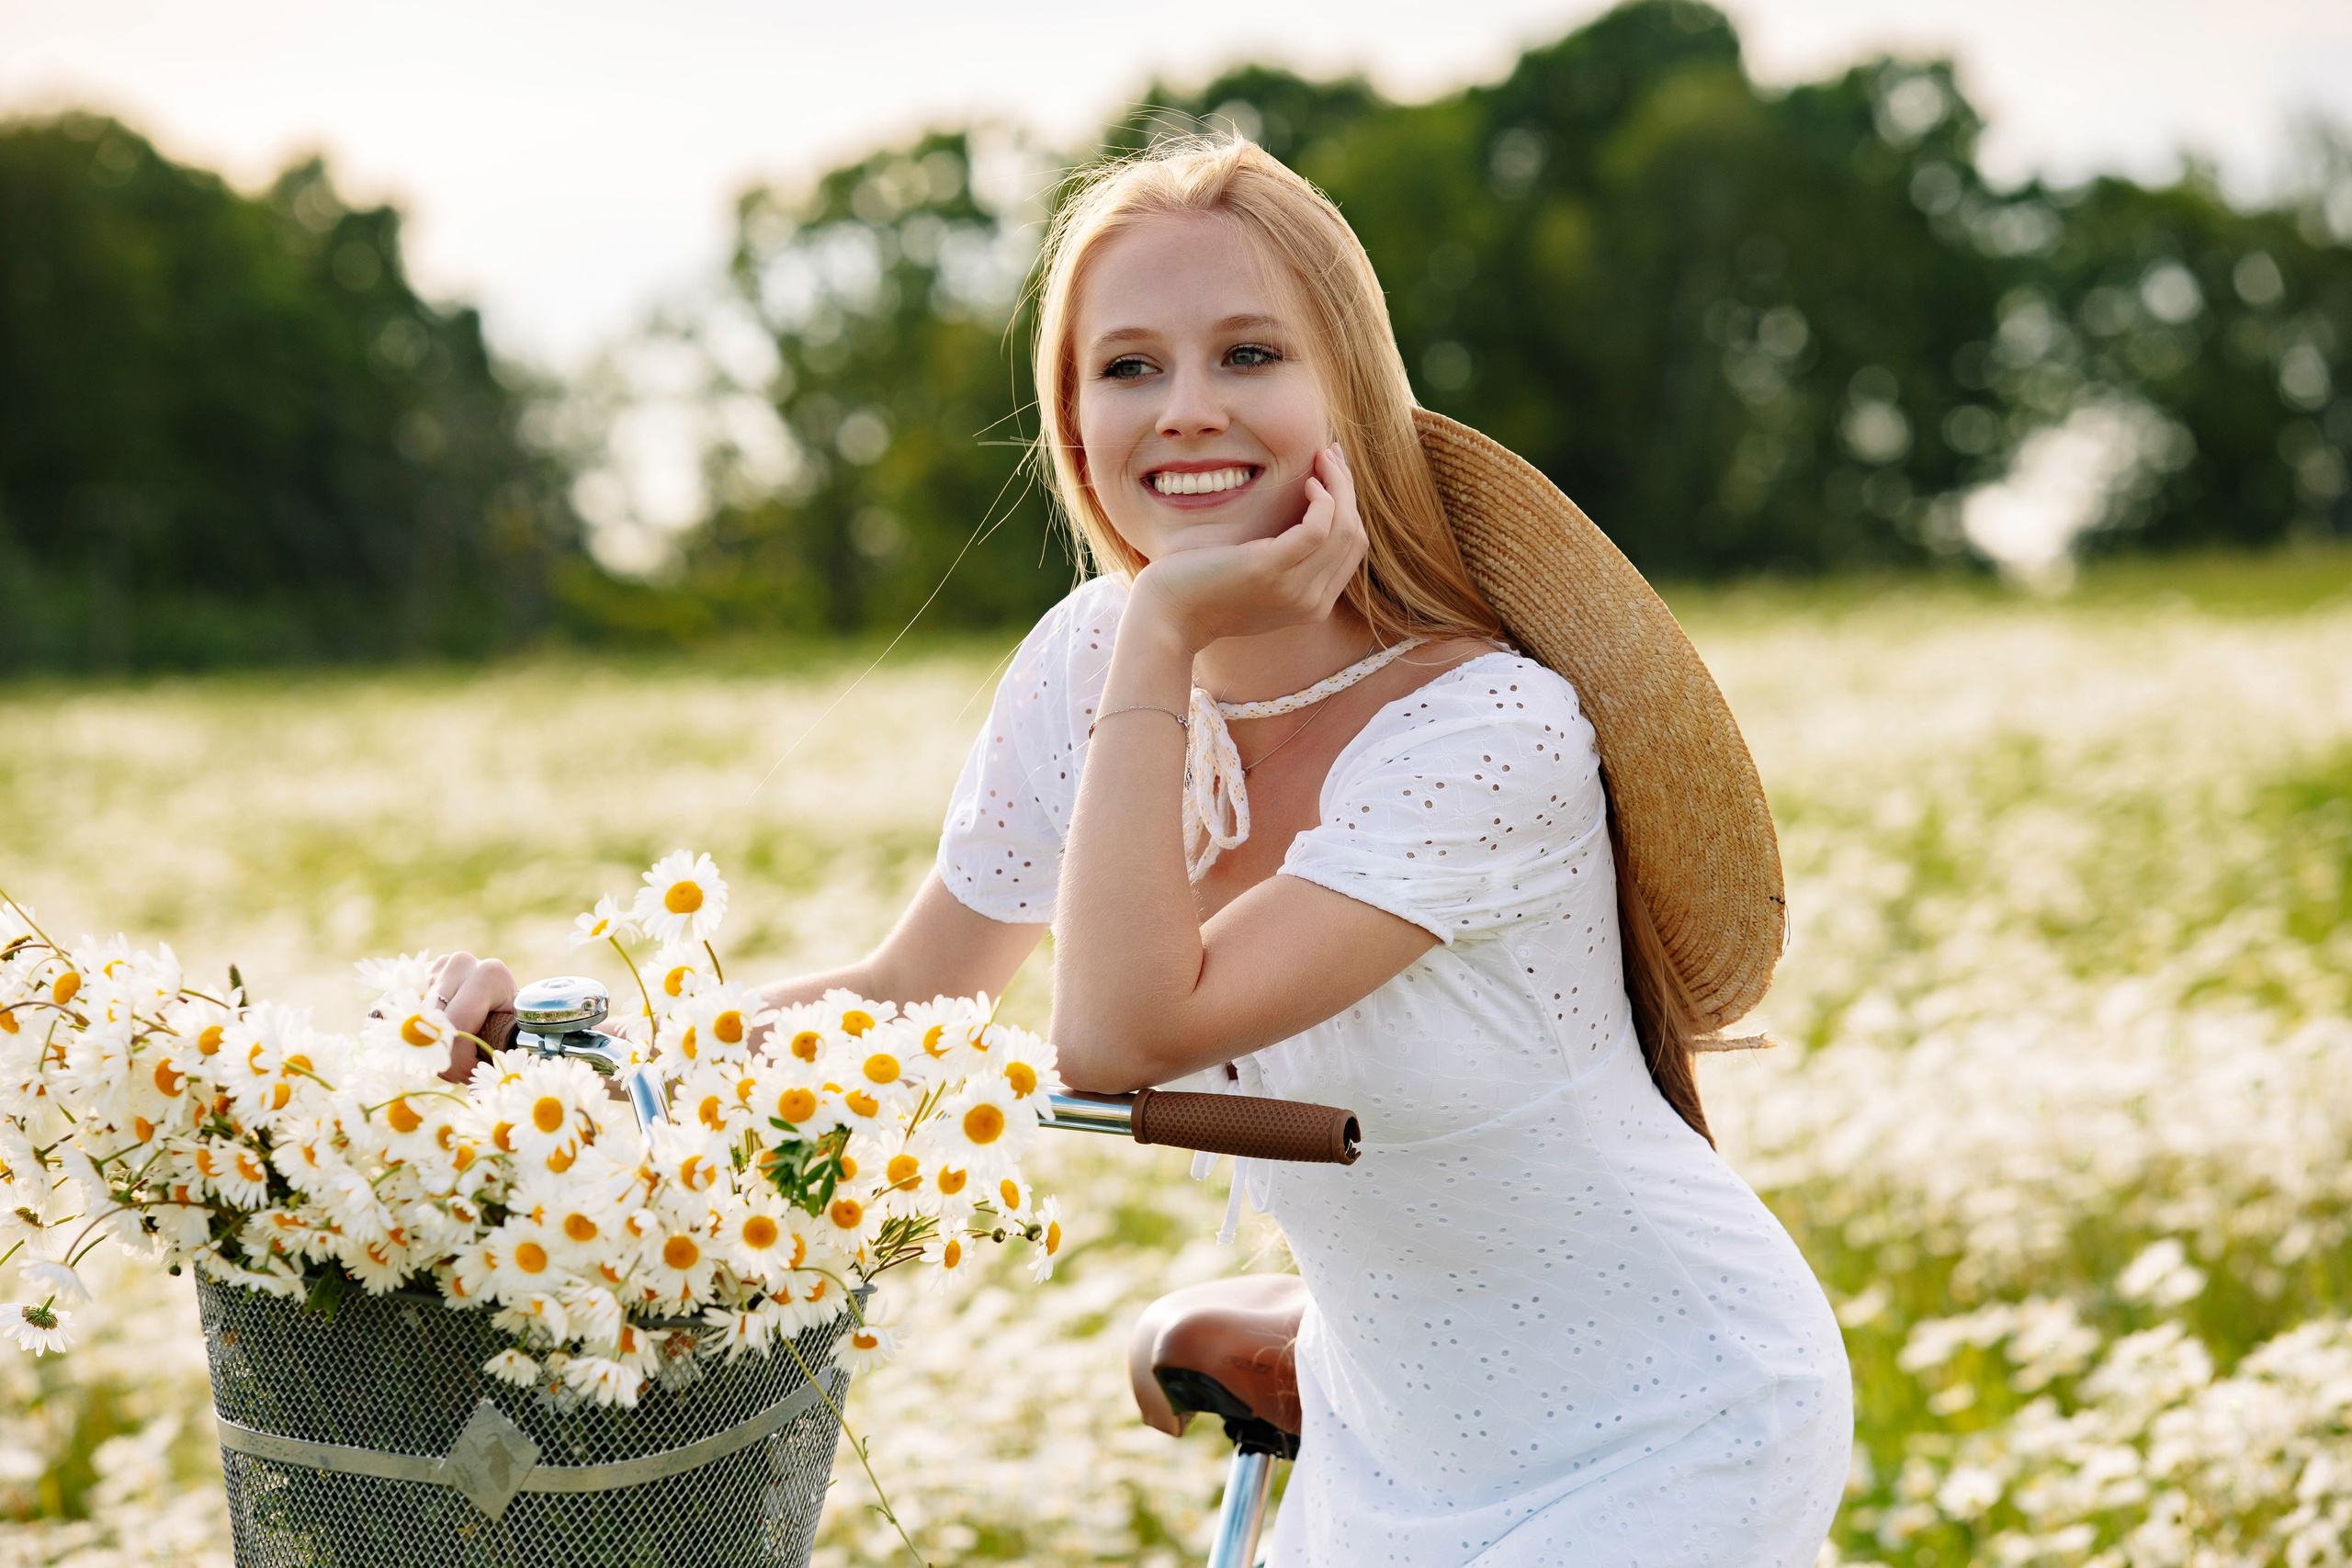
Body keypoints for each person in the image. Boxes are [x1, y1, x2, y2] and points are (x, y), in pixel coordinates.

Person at [436, 135, 1851, 1565]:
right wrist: (566, 1047)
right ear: (1070, 416)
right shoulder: (1091, 665)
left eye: (1248, 355)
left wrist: (1169, 624)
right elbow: (912, 994)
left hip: (1671, 1423)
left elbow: (1116, 1032)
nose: (1184, 412)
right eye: (1126, 369)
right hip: (1394, 1442)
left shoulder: (1489, 730)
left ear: (1348, 394)